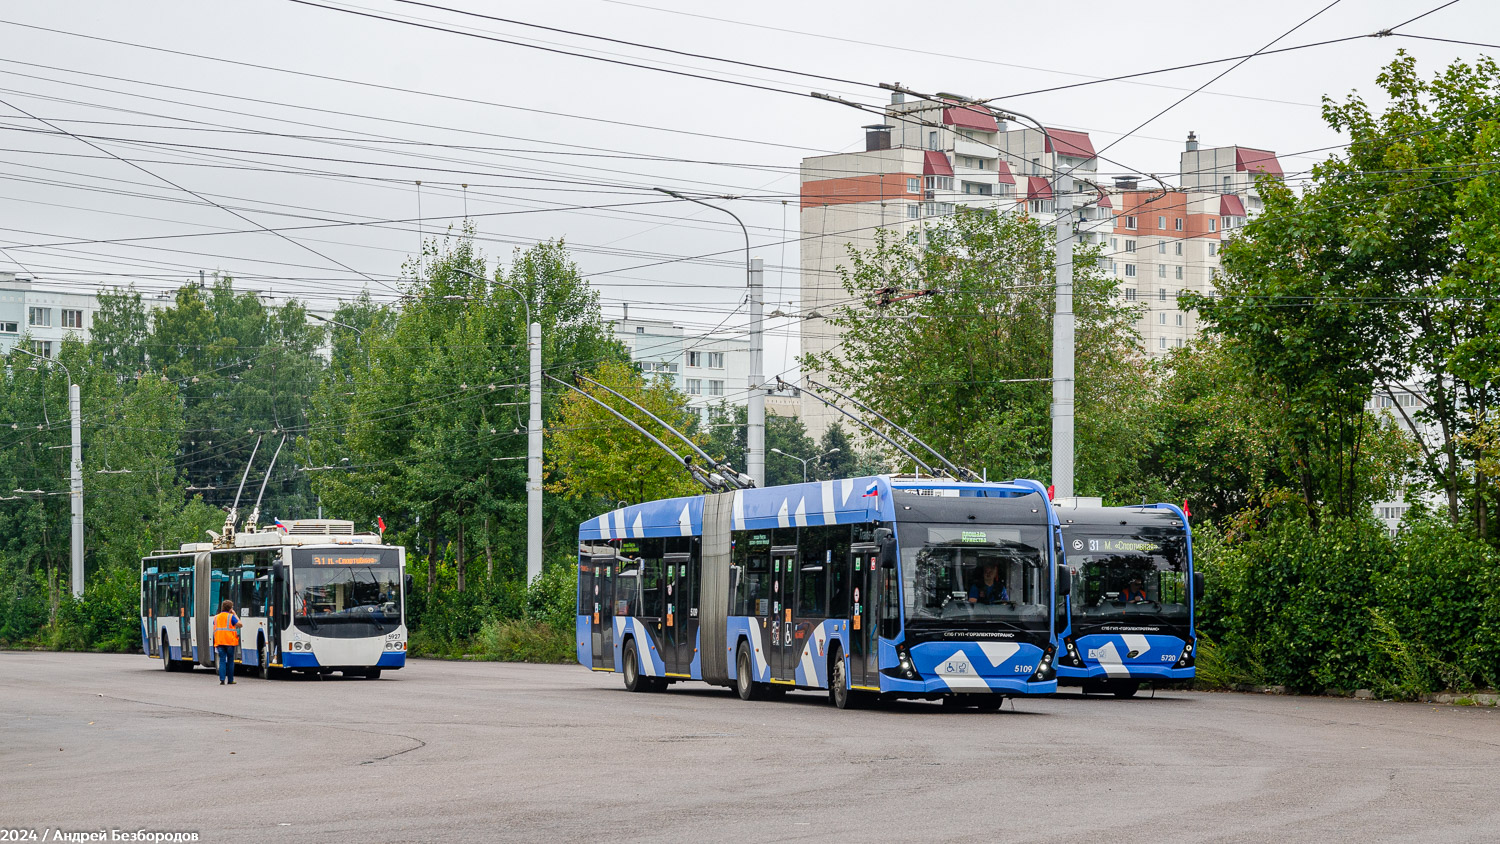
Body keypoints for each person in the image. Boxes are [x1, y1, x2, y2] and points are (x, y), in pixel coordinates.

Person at [212, 599, 243, 685]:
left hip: (219, 642)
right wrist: (235, 614)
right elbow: (240, 624)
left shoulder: (216, 617)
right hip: (229, 642)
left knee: (222, 660)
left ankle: (222, 679)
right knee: (230, 661)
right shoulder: (231, 617)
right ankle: (230, 680)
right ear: (230, 608)